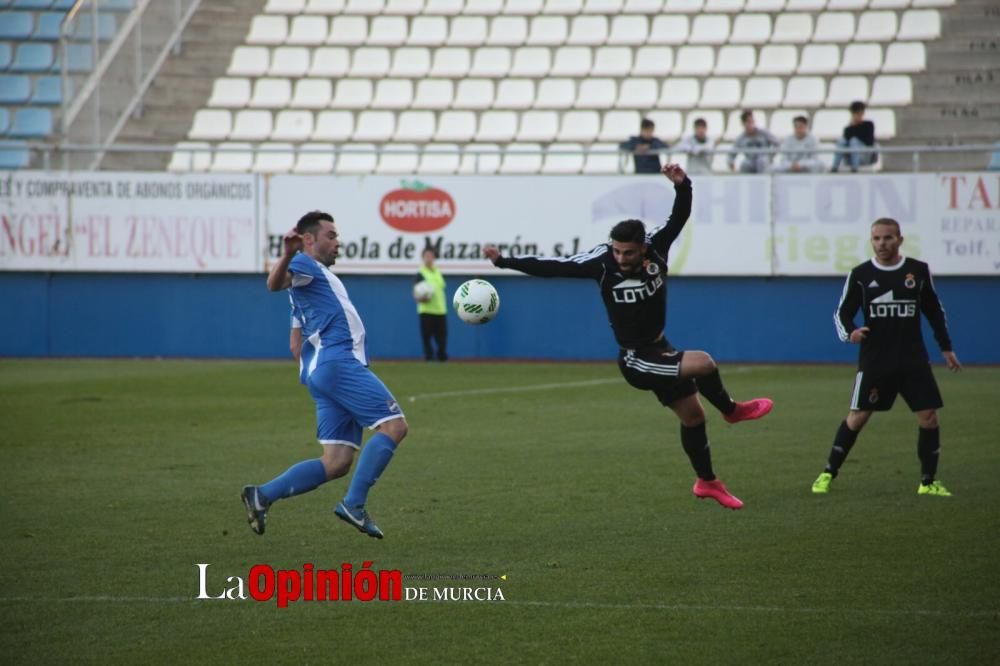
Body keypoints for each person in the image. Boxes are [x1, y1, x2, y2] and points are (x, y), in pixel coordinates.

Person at [484, 164, 773, 510]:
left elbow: (679, 218)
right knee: (704, 363)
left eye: (629, 252)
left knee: (694, 418)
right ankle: (732, 410)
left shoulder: (658, 248)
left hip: (660, 348)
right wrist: (504, 262)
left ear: (643, 248)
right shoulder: (601, 263)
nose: (621, 258)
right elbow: (553, 266)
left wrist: (684, 186)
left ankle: (707, 482)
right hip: (636, 358)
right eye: (617, 251)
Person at [241, 210, 408, 539]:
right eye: (330, 236)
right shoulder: (304, 263)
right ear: (308, 240)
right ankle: (354, 504)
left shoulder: (313, 279)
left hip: (323, 372)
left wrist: (296, 329)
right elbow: (275, 283)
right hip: (339, 362)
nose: (337, 243)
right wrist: (288, 254)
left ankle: (262, 495)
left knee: (336, 461)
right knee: (395, 426)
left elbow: (294, 311)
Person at [812, 218, 960, 497]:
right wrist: (851, 333)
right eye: (877, 238)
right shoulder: (861, 274)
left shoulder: (918, 271)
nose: (883, 243)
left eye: (888, 238)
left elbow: (934, 311)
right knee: (857, 418)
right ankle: (827, 473)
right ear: (872, 241)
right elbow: (842, 313)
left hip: (913, 359)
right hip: (876, 360)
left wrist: (946, 347)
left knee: (929, 417)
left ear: (900, 240)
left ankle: (928, 482)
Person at [414, 247, 448, 362]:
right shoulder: (421, 273)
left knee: (442, 336)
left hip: (440, 309)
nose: (429, 258)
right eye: (426, 256)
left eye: (431, 256)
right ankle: (429, 357)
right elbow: (416, 293)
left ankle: (442, 357)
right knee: (426, 336)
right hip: (426, 310)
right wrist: (422, 298)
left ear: (434, 258)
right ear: (423, 258)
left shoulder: (437, 271)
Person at [831, 101, 877, 173]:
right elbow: (846, 139)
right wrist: (853, 126)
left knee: (854, 141)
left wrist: (856, 132)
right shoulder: (848, 128)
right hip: (851, 155)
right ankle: (834, 167)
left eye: (860, 113)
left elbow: (869, 141)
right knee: (841, 141)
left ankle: (855, 169)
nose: (859, 116)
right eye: (856, 113)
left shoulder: (869, 125)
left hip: (864, 154)